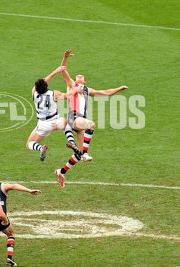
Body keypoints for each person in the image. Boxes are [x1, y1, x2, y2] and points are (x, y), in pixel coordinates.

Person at [55, 49, 128, 187]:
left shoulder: (88, 90)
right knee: (91, 125)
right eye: (77, 76)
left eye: (81, 76)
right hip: (74, 118)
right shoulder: (71, 85)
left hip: (80, 120)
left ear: (85, 80)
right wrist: (65, 57)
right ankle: (86, 154)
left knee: (79, 153)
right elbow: (63, 70)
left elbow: (104, 93)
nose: (79, 76)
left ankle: (61, 171)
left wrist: (119, 88)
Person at [26, 66, 82, 162]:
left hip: (43, 124)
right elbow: (67, 96)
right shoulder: (54, 94)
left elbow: (43, 82)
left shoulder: (34, 92)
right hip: (56, 122)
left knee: (29, 144)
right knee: (66, 122)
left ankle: (40, 148)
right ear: (46, 86)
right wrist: (76, 90)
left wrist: (53, 72)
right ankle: (71, 141)